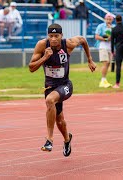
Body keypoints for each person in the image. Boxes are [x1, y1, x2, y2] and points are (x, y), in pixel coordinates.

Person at [28, 23, 96, 157]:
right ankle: (67, 139)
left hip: (65, 85)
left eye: (56, 36)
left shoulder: (68, 44)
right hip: (50, 87)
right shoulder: (42, 45)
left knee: (50, 100)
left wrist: (90, 59)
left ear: (61, 36)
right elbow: (31, 68)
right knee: (60, 120)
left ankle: (49, 139)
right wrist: (45, 57)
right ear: (48, 36)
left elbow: (83, 39)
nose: (53, 39)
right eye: (51, 36)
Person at [95, 13, 114, 88]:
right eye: (107, 19)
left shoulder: (113, 27)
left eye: (110, 19)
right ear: (105, 19)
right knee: (105, 63)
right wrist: (105, 39)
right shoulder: (101, 26)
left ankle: (104, 79)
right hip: (103, 46)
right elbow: (96, 36)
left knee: (108, 63)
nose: (108, 21)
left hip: (110, 47)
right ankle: (102, 80)